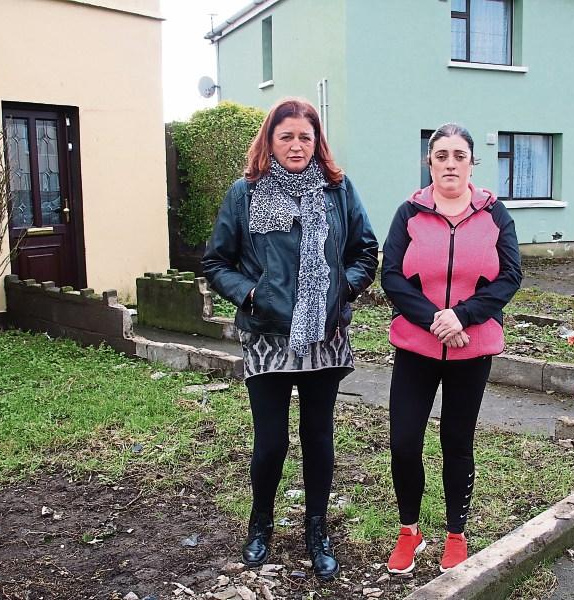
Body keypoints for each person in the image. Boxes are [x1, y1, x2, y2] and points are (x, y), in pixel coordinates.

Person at [202, 98, 378, 580]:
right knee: (271, 443)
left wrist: (342, 287)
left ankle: (316, 530)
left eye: (306, 136)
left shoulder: (338, 191)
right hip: (267, 336)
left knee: (319, 438)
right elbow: (215, 261)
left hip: (324, 335)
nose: (297, 145)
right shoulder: (245, 193)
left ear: (317, 141)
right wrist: (252, 295)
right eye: (287, 137)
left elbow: (366, 250)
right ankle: (260, 525)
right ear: (270, 141)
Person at [381, 123, 522, 574]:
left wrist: (462, 315)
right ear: (429, 162)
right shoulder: (409, 213)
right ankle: (410, 531)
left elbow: (510, 276)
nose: (449, 163)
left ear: (471, 163)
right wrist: (436, 320)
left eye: (458, 155)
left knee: (456, 443)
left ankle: (456, 535)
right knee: (404, 442)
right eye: (440, 155)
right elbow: (392, 277)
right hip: (416, 348)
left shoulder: (494, 214)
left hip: (471, 347)